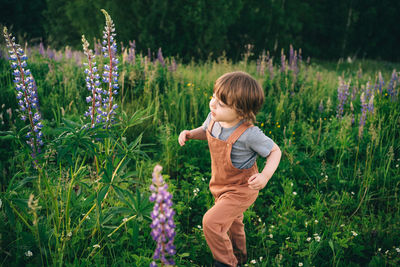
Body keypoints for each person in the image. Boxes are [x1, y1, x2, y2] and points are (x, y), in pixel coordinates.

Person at [178, 71, 281, 267]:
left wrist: (265, 176)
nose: (213, 104)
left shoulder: (250, 134)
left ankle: (226, 262)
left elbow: (275, 151)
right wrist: (191, 134)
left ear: (241, 111)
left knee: (211, 222)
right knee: (234, 224)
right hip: (220, 185)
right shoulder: (214, 118)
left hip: (242, 190)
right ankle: (241, 257)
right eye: (214, 97)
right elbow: (206, 131)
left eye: (221, 104)